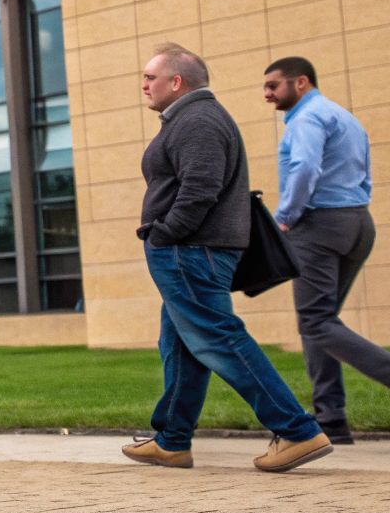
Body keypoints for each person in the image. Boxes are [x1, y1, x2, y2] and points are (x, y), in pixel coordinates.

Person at [126, 45, 331, 473]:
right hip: (189, 251)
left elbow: (200, 189)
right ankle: (172, 440)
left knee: (219, 339)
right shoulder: (190, 118)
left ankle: (297, 431)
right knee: (180, 344)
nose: (144, 85)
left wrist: (164, 234)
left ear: (176, 82)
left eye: (150, 77)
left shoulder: (197, 120)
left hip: (188, 251)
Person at [263, 57, 390, 445]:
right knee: (321, 321)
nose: (267, 94)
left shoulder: (306, 119)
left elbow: (304, 169)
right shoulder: (344, 117)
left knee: (315, 320)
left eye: (273, 85)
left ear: (301, 83)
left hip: (318, 224)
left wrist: (284, 217)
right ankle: (331, 419)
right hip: (357, 222)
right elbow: (364, 171)